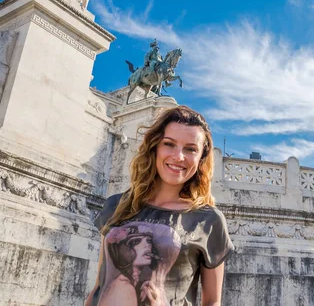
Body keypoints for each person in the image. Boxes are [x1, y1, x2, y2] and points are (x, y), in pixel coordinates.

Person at [86, 106, 234, 306]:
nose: (178, 156)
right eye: (169, 144)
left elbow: (212, 303)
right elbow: (100, 285)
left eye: (190, 149)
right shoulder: (116, 205)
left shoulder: (209, 220)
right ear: (155, 147)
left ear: (201, 159)